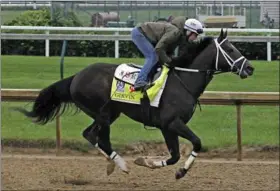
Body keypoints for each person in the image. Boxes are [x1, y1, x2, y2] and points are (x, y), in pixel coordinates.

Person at [130, 17, 204, 91]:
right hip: (139, 33)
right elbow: (159, 49)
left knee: (159, 60)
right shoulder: (174, 32)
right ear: (189, 31)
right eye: (195, 35)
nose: (195, 38)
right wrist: (169, 61)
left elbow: (168, 51)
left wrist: (172, 61)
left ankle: (149, 80)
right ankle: (139, 82)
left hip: (147, 35)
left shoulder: (180, 36)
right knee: (153, 57)